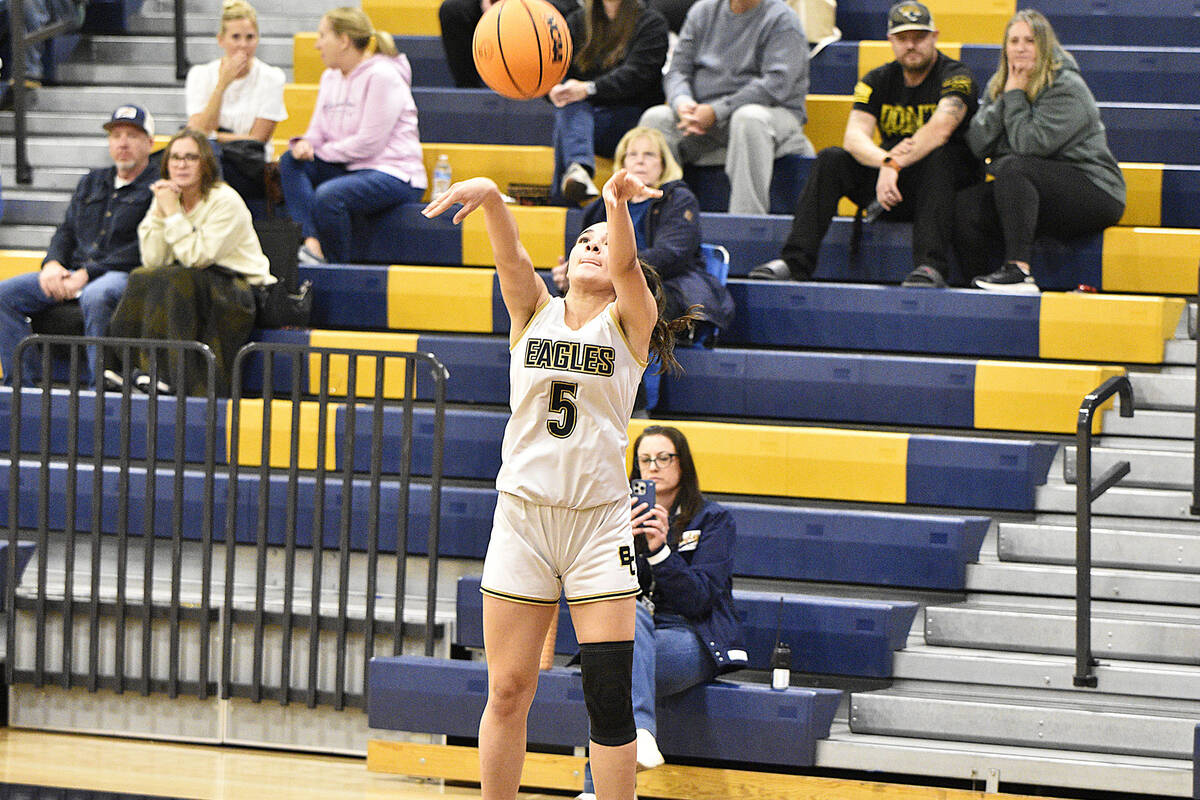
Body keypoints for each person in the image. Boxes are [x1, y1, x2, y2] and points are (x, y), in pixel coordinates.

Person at [422, 168, 698, 800]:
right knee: (509, 689)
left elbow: (628, 268)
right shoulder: (533, 314)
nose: (592, 245)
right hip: (523, 520)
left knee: (607, 695)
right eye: (584, 239)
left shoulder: (630, 326)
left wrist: (614, 205)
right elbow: (511, 258)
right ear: (565, 261)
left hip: (598, 527)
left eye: (604, 241)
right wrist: (493, 197)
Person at [750, 1, 981, 286]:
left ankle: (930, 266)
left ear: (934, 36)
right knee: (831, 158)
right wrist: (885, 163)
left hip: (944, 188)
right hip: (893, 185)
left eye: (919, 37)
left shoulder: (957, 76)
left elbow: (940, 129)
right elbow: (855, 137)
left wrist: (893, 163)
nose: (911, 45)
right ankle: (795, 261)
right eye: (903, 38)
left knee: (941, 157)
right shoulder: (877, 79)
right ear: (890, 41)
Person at [577, 425, 746, 800]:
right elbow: (604, 585)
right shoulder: (620, 518)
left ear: (682, 463)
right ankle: (639, 741)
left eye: (663, 458)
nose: (653, 467)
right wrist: (626, 542)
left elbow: (700, 599)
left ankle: (598, 788)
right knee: (625, 630)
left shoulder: (714, 520)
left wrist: (659, 551)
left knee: (612, 667)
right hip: (638, 629)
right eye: (644, 460)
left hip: (693, 636)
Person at [957, 9, 1125, 294]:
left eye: (1030, 40)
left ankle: (1018, 270)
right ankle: (978, 285)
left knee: (1014, 167)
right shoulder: (1003, 83)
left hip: (1094, 190)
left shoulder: (1067, 88)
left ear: (1044, 46)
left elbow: (1028, 146)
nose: (1020, 47)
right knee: (967, 204)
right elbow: (978, 143)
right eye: (1014, 41)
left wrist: (1014, 96)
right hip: (1034, 189)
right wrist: (1006, 96)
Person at [106, 129, 273, 397]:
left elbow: (197, 257)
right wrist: (161, 213)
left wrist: (172, 213)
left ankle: (175, 376)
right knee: (141, 276)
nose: (181, 165)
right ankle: (123, 365)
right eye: (175, 158)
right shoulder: (167, 197)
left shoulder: (224, 200)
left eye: (191, 158)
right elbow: (153, 259)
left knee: (175, 279)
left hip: (240, 290)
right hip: (195, 284)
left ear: (205, 164)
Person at [0, 104, 156, 386]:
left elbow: (142, 247)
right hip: (72, 271)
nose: (122, 142)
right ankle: (22, 386)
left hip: (123, 272)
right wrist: (52, 264)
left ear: (150, 142)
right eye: (116, 134)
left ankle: (100, 392)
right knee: (3, 295)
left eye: (132, 135)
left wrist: (87, 273)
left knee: (96, 296)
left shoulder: (158, 186)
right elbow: (67, 230)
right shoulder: (92, 181)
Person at [277, 6, 426, 264]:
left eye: (323, 36)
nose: (317, 45)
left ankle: (338, 269)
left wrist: (321, 152)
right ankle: (312, 244)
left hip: (394, 174)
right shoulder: (329, 77)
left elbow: (369, 143)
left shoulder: (383, 75)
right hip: (351, 168)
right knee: (291, 161)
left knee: (329, 195)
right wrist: (304, 144)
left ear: (344, 40)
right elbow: (317, 132)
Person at [637, 0, 813, 215]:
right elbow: (677, 71)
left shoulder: (782, 19)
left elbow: (777, 84)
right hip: (703, 117)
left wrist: (717, 110)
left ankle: (745, 222)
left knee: (748, 119)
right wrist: (682, 102)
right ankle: (656, 219)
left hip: (772, 114)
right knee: (656, 119)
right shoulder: (702, 11)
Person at [556, 126, 732, 335]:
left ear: (663, 165)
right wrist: (573, 271)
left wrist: (615, 266)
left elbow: (671, 255)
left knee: (625, 307)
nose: (640, 161)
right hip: (610, 286)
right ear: (622, 164)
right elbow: (586, 247)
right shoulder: (601, 206)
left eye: (649, 154)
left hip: (667, 285)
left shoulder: (678, 199)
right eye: (632, 155)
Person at [551, 0, 668, 204]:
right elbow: (556, 69)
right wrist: (554, 89)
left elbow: (637, 75)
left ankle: (567, 194)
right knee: (570, 107)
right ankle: (578, 172)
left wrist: (588, 90)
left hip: (632, 120)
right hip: (586, 120)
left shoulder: (650, 22)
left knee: (569, 122)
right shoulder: (576, 22)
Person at [185, 0, 288, 202]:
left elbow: (257, 139)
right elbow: (198, 131)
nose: (243, 45)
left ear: (258, 39)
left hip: (250, 166)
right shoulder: (200, 75)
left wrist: (214, 137)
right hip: (210, 163)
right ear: (221, 40)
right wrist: (222, 84)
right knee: (202, 156)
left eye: (250, 37)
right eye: (235, 37)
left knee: (210, 150)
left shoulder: (272, 77)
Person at [437, 0, 580, 88]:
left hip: (545, 7)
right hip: (501, 5)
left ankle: (554, 82)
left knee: (573, 16)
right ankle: (468, 89)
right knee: (453, 9)